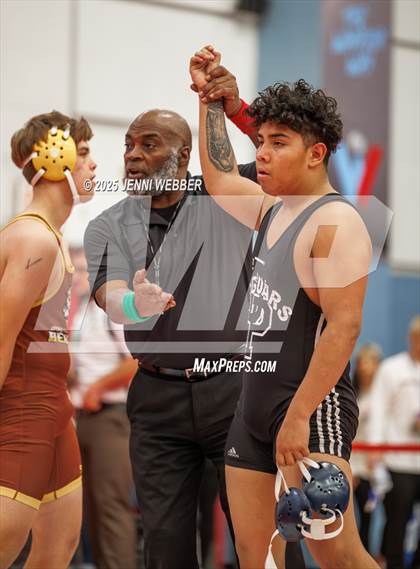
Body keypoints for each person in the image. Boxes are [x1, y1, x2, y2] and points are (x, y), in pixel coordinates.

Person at [192, 48, 380, 569]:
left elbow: (344, 329)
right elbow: (219, 179)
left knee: (338, 557)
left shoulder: (337, 223)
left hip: (310, 411)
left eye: (278, 143)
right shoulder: (272, 210)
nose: (263, 154)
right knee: (255, 556)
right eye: (260, 141)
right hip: (252, 411)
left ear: (316, 154)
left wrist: (297, 418)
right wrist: (210, 101)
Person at [83, 62, 259, 569]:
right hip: (157, 399)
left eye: (149, 144)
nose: (132, 155)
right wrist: (136, 304)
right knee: (165, 544)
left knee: (259, 536)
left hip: (233, 390)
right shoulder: (108, 225)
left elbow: (287, 158)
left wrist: (229, 108)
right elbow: (111, 294)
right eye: (129, 145)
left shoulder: (225, 196)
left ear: (183, 156)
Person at [0, 111, 96, 569]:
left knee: (59, 546)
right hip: (22, 411)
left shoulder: (51, 238)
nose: (94, 164)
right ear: (57, 158)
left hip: (53, 407)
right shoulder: (33, 240)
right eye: (85, 152)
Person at [69, 247, 138, 569]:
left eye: (84, 269)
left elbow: (135, 362)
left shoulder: (114, 311)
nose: (77, 276)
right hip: (84, 417)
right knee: (89, 509)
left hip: (111, 418)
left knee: (111, 507)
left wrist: (97, 388)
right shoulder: (81, 313)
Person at [368, 315, 420, 569]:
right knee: (397, 520)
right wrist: (375, 449)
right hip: (397, 461)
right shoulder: (391, 369)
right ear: (411, 338)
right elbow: (378, 411)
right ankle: (393, 564)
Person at [350, 343, 383, 550]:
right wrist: (352, 468)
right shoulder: (353, 394)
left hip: (378, 465)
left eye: (369, 362)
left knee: (369, 515)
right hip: (355, 463)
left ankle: (369, 557)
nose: (364, 366)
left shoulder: (383, 397)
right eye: (361, 362)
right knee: (351, 517)